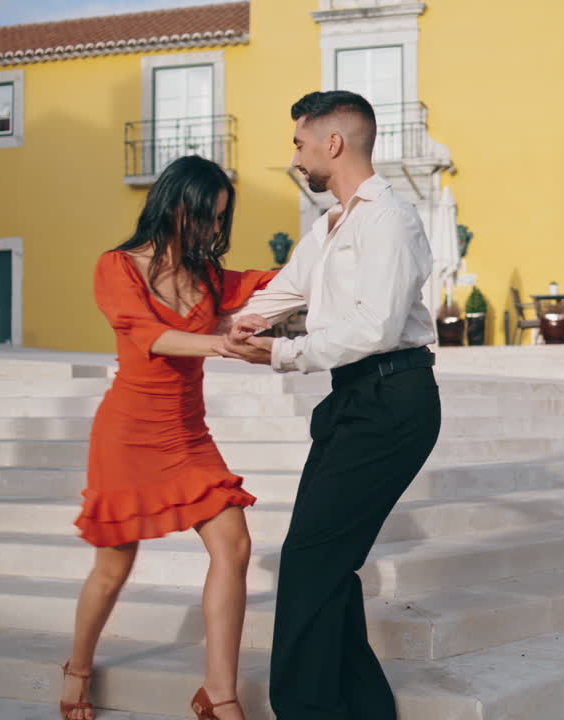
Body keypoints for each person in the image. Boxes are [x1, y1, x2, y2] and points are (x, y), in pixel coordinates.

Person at [218, 90, 442, 719]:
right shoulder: (330, 225)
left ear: (332, 143)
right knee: (325, 562)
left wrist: (281, 356)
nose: (294, 157)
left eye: (298, 143)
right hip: (354, 398)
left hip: (394, 399)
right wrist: (240, 326)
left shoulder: (389, 220)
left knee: (312, 560)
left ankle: (310, 709)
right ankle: (361, 708)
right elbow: (287, 290)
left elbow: (374, 328)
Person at [60, 156, 276, 720]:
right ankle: (76, 670)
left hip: (188, 434)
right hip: (127, 434)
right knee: (113, 569)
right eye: (205, 217)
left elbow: (272, 281)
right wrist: (221, 343)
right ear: (176, 205)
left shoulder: (208, 277)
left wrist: (335, 241)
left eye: (219, 220)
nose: (210, 230)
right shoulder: (117, 267)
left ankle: (218, 694)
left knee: (234, 546)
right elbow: (148, 335)